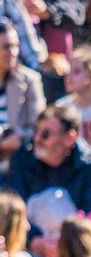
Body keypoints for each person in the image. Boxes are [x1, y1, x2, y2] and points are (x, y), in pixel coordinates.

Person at [2, 102, 91, 212]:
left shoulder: (89, 166)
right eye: (36, 131)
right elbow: (13, 212)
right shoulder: (22, 158)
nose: (37, 139)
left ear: (69, 138)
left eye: (45, 134)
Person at [0, 19, 45, 162]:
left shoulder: (30, 80)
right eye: (6, 47)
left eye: (16, 46)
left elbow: (39, 127)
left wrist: (13, 139)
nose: (13, 52)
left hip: (18, 160)